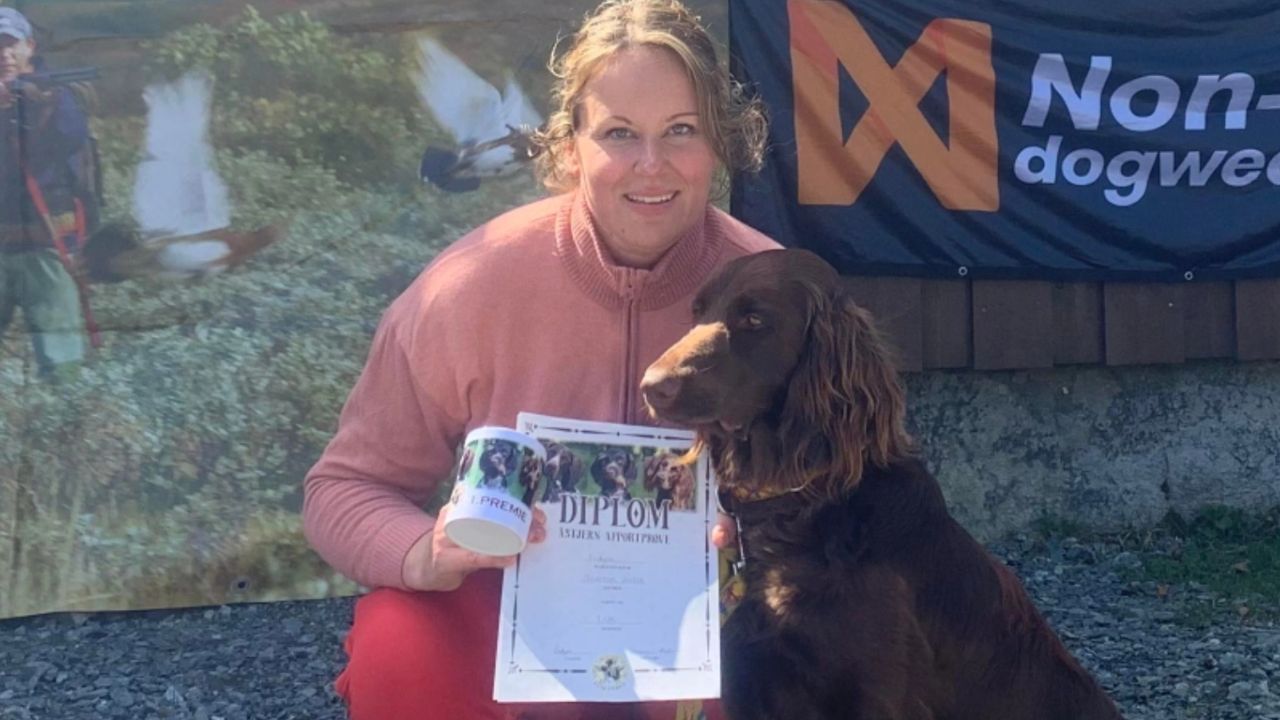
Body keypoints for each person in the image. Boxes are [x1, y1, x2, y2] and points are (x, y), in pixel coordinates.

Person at [303, 1, 776, 718]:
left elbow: (864, 500)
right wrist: (425, 551)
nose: (652, 164)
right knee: (399, 641)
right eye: (619, 133)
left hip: (708, 621)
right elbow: (343, 488)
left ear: (720, 139)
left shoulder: (775, 297)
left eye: (681, 130)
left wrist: (762, 542)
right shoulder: (470, 285)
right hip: (511, 620)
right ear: (570, 145)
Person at [0, 7, 97, 383]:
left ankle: (65, 418)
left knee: (63, 367)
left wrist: (36, 103)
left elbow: (70, 137)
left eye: (10, 44)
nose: (4, 54)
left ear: (29, 46)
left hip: (48, 245)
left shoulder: (56, 95)